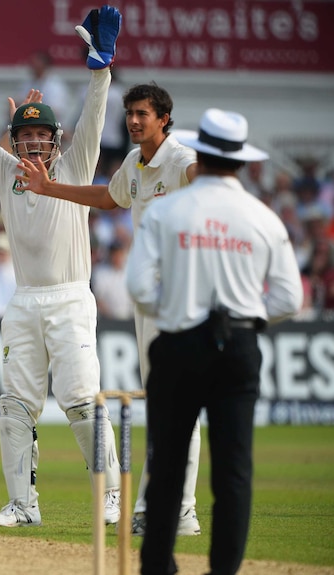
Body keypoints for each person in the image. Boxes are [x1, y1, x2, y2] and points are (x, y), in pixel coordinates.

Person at [0, 10, 124, 528]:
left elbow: (93, 118)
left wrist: (100, 70)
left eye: (44, 134)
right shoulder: (4, 171)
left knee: (81, 401)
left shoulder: (74, 166)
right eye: (27, 136)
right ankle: (23, 505)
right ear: (16, 141)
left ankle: (113, 492)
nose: (36, 142)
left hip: (69, 297)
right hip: (24, 302)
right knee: (15, 406)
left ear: (55, 138)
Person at [16, 82, 202, 535]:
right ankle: (163, 507)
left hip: (181, 295)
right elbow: (107, 198)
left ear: (164, 118)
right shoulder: (136, 166)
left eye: (143, 114)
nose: (134, 121)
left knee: (178, 403)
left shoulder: (182, 162)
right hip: (151, 299)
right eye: (130, 114)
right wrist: (48, 186)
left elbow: (209, 191)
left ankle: (179, 509)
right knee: (163, 403)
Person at [125, 108, 303, 575]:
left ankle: (158, 566)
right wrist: (244, 321)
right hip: (239, 348)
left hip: (179, 345)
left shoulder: (167, 209)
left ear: (198, 153)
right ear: (241, 162)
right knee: (234, 471)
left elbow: (140, 288)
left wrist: (177, 316)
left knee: (165, 463)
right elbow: (289, 297)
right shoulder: (262, 217)